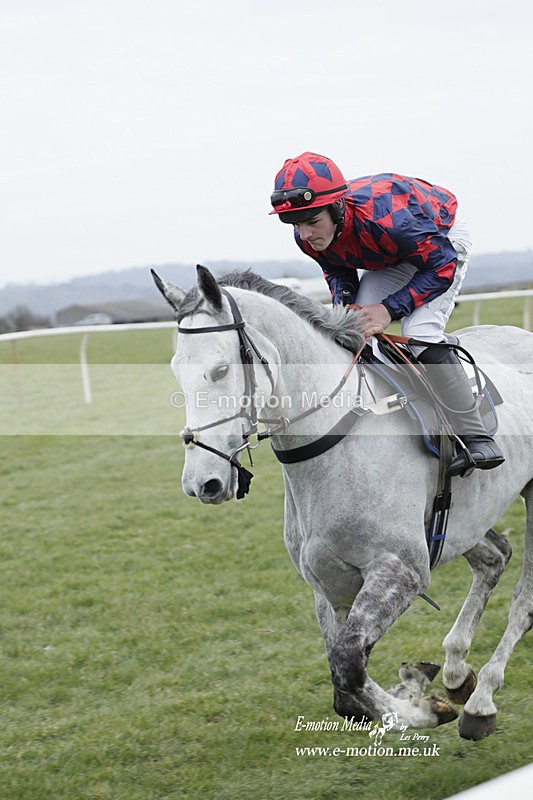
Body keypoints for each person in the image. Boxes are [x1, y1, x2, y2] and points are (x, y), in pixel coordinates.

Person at [270, 151, 504, 477]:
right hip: (392, 252)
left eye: (312, 222)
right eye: (297, 224)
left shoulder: (388, 220)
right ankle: (399, 407)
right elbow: (338, 269)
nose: (305, 234)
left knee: (420, 331)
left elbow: (441, 267)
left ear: (337, 207)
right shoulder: (308, 236)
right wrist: (345, 308)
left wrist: (388, 309)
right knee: (358, 332)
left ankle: (475, 434)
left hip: (439, 240)